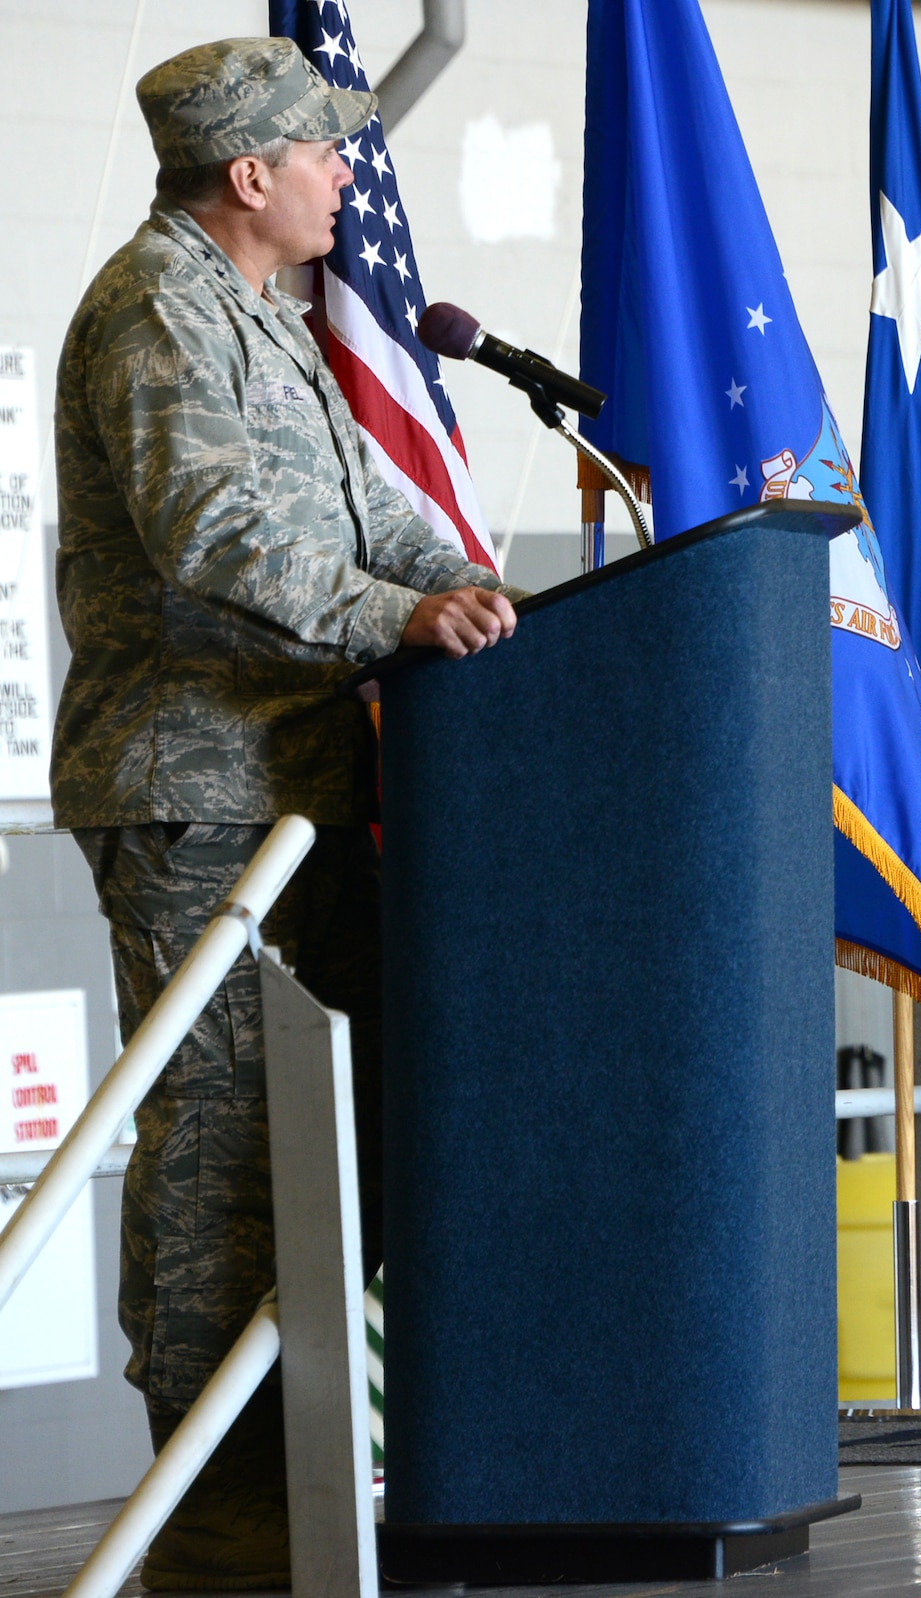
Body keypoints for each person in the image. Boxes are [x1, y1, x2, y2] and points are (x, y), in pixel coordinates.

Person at [53, 38, 522, 1589]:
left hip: (304, 790)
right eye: (321, 154)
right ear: (246, 176)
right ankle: (217, 1501)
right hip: (197, 798)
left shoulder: (269, 315)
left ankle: (311, 1465)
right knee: (221, 1155)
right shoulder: (156, 308)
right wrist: (399, 615)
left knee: (351, 1130)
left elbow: (377, 508)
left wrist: (463, 586)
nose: (345, 175)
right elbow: (211, 532)